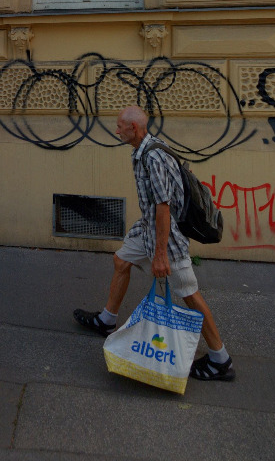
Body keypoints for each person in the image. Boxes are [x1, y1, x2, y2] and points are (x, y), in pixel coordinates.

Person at [73, 105, 235, 382]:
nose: (117, 129)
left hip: (166, 236)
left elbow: (163, 206)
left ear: (133, 129)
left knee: (189, 294)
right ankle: (107, 320)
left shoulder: (154, 158)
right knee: (121, 260)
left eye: (120, 126)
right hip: (148, 228)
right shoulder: (145, 149)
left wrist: (160, 255)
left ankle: (221, 359)